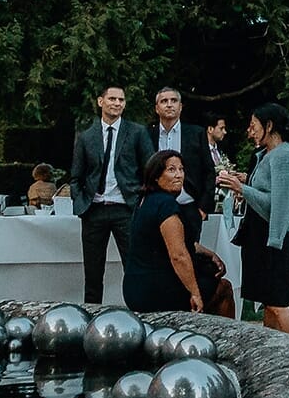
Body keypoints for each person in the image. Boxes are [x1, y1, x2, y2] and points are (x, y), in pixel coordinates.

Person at [217, 104, 289, 332]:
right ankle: (271, 351)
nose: (249, 131)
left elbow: (279, 204)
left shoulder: (283, 154)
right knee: (268, 303)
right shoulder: (267, 154)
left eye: (254, 126)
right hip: (258, 235)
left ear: (269, 125)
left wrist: (242, 189)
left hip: (273, 237)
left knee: (278, 303)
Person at [70, 85, 155, 303]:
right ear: (101, 102)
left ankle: (141, 315)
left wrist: (143, 201)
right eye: (112, 99)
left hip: (126, 209)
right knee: (93, 272)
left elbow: (151, 169)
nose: (117, 103)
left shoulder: (136, 132)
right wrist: (80, 204)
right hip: (94, 210)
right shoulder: (87, 137)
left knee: (135, 267)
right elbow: (76, 176)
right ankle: (91, 319)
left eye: (121, 99)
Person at [123, 151, 207, 314]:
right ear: (156, 176)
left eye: (181, 169)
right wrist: (195, 293)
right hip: (156, 290)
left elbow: (165, 241)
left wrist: (209, 253)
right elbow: (178, 255)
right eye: (171, 170)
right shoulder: (166, 205)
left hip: (133, 286)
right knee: (223, 288)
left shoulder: (144, 200)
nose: (179, 175)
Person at [151, 86, 213, 223]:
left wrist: (203, 207)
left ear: (180, 107)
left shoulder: (196, 134)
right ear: (156, 108)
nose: (169, 104)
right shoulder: (148, 135)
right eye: (164, 101)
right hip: (155, 205)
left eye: (173, 100)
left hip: (189, 205)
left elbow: (208, 170)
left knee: (190, 245)